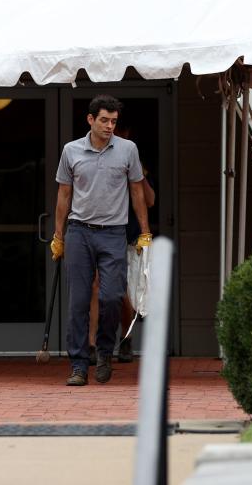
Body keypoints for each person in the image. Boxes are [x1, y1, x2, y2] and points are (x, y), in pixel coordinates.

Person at [51, 95, 151, 386]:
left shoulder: (127, 150)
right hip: (79, 231)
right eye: (105, 120)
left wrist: (145, 231)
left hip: (113, 232)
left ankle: (105, 351)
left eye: (114, 121)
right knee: (79, 302)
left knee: (111, 296)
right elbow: (64, 195)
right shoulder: (71, 151)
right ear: (90, 120)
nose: (109, 126)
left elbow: (137, 192)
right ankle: (79, 365)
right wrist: (59, 237)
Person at [87, 122, 154, 365]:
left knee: (121, 292)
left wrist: (139, 176)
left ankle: (125, 339)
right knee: (95, 286)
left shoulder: (132, 158)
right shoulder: (95, 158)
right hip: (100, 233)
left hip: (128, 235)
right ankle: (92, 344)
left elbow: (149, 200)